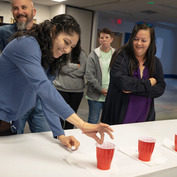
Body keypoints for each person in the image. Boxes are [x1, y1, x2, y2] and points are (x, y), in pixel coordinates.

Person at [0, 14, 114, 149]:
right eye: (66, 42)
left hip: (10, 119)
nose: (67, 50)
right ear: (52, 30)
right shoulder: (26, 44)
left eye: (71, 46)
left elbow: (46, 96)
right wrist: (82, 124)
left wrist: (60, 134)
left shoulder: (47, 55)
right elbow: (43, 88)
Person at [0, 0, 51, 134]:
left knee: (45, 136)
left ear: (33, 12)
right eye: (15, 8)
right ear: (12, 12)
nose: (20, 11)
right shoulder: (3, 32)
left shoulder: (43, 34)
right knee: (15, 138)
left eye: (24, 8)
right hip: (16, 99)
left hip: (39, 97)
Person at [101, 22, 166, 125]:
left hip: (144, 115)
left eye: (144, 40)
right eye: (136, 39)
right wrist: (148, 84)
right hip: (119, 115)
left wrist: (133, 88)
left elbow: (160, 88)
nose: (139, 43)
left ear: (151, 42)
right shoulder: (120, 56)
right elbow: (123, 83)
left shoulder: (155, 62)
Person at [85, 28, 115, 124]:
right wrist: (101, 89)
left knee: (108, 122)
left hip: (111, 95)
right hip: (95, 95)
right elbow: (89, 76)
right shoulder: (93, 55)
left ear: (111, 39)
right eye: (102, 38)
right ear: (99, 40)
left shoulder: (117, 54)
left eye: (107, 37)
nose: (104, 40)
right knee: (93, 121)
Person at [53, 49, 86, 129]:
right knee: (60, 116)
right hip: (61, 89)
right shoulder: (61, 51)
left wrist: (68, 69)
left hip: (77, 91)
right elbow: (63, 69)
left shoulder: (82, 54)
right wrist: (76, 66)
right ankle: (60, 137)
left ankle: (69, 138)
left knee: (72, 118)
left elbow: (82, 71)